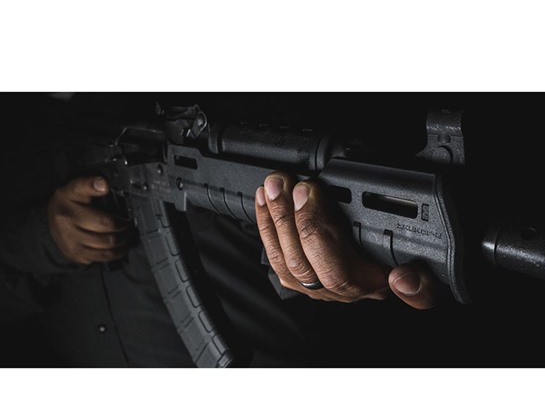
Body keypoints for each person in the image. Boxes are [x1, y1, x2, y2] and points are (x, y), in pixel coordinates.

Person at [0, 93, 449, 367]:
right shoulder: (26, 132)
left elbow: (296, 210)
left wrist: (313, 265)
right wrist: (45, 238)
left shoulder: (240, 112)